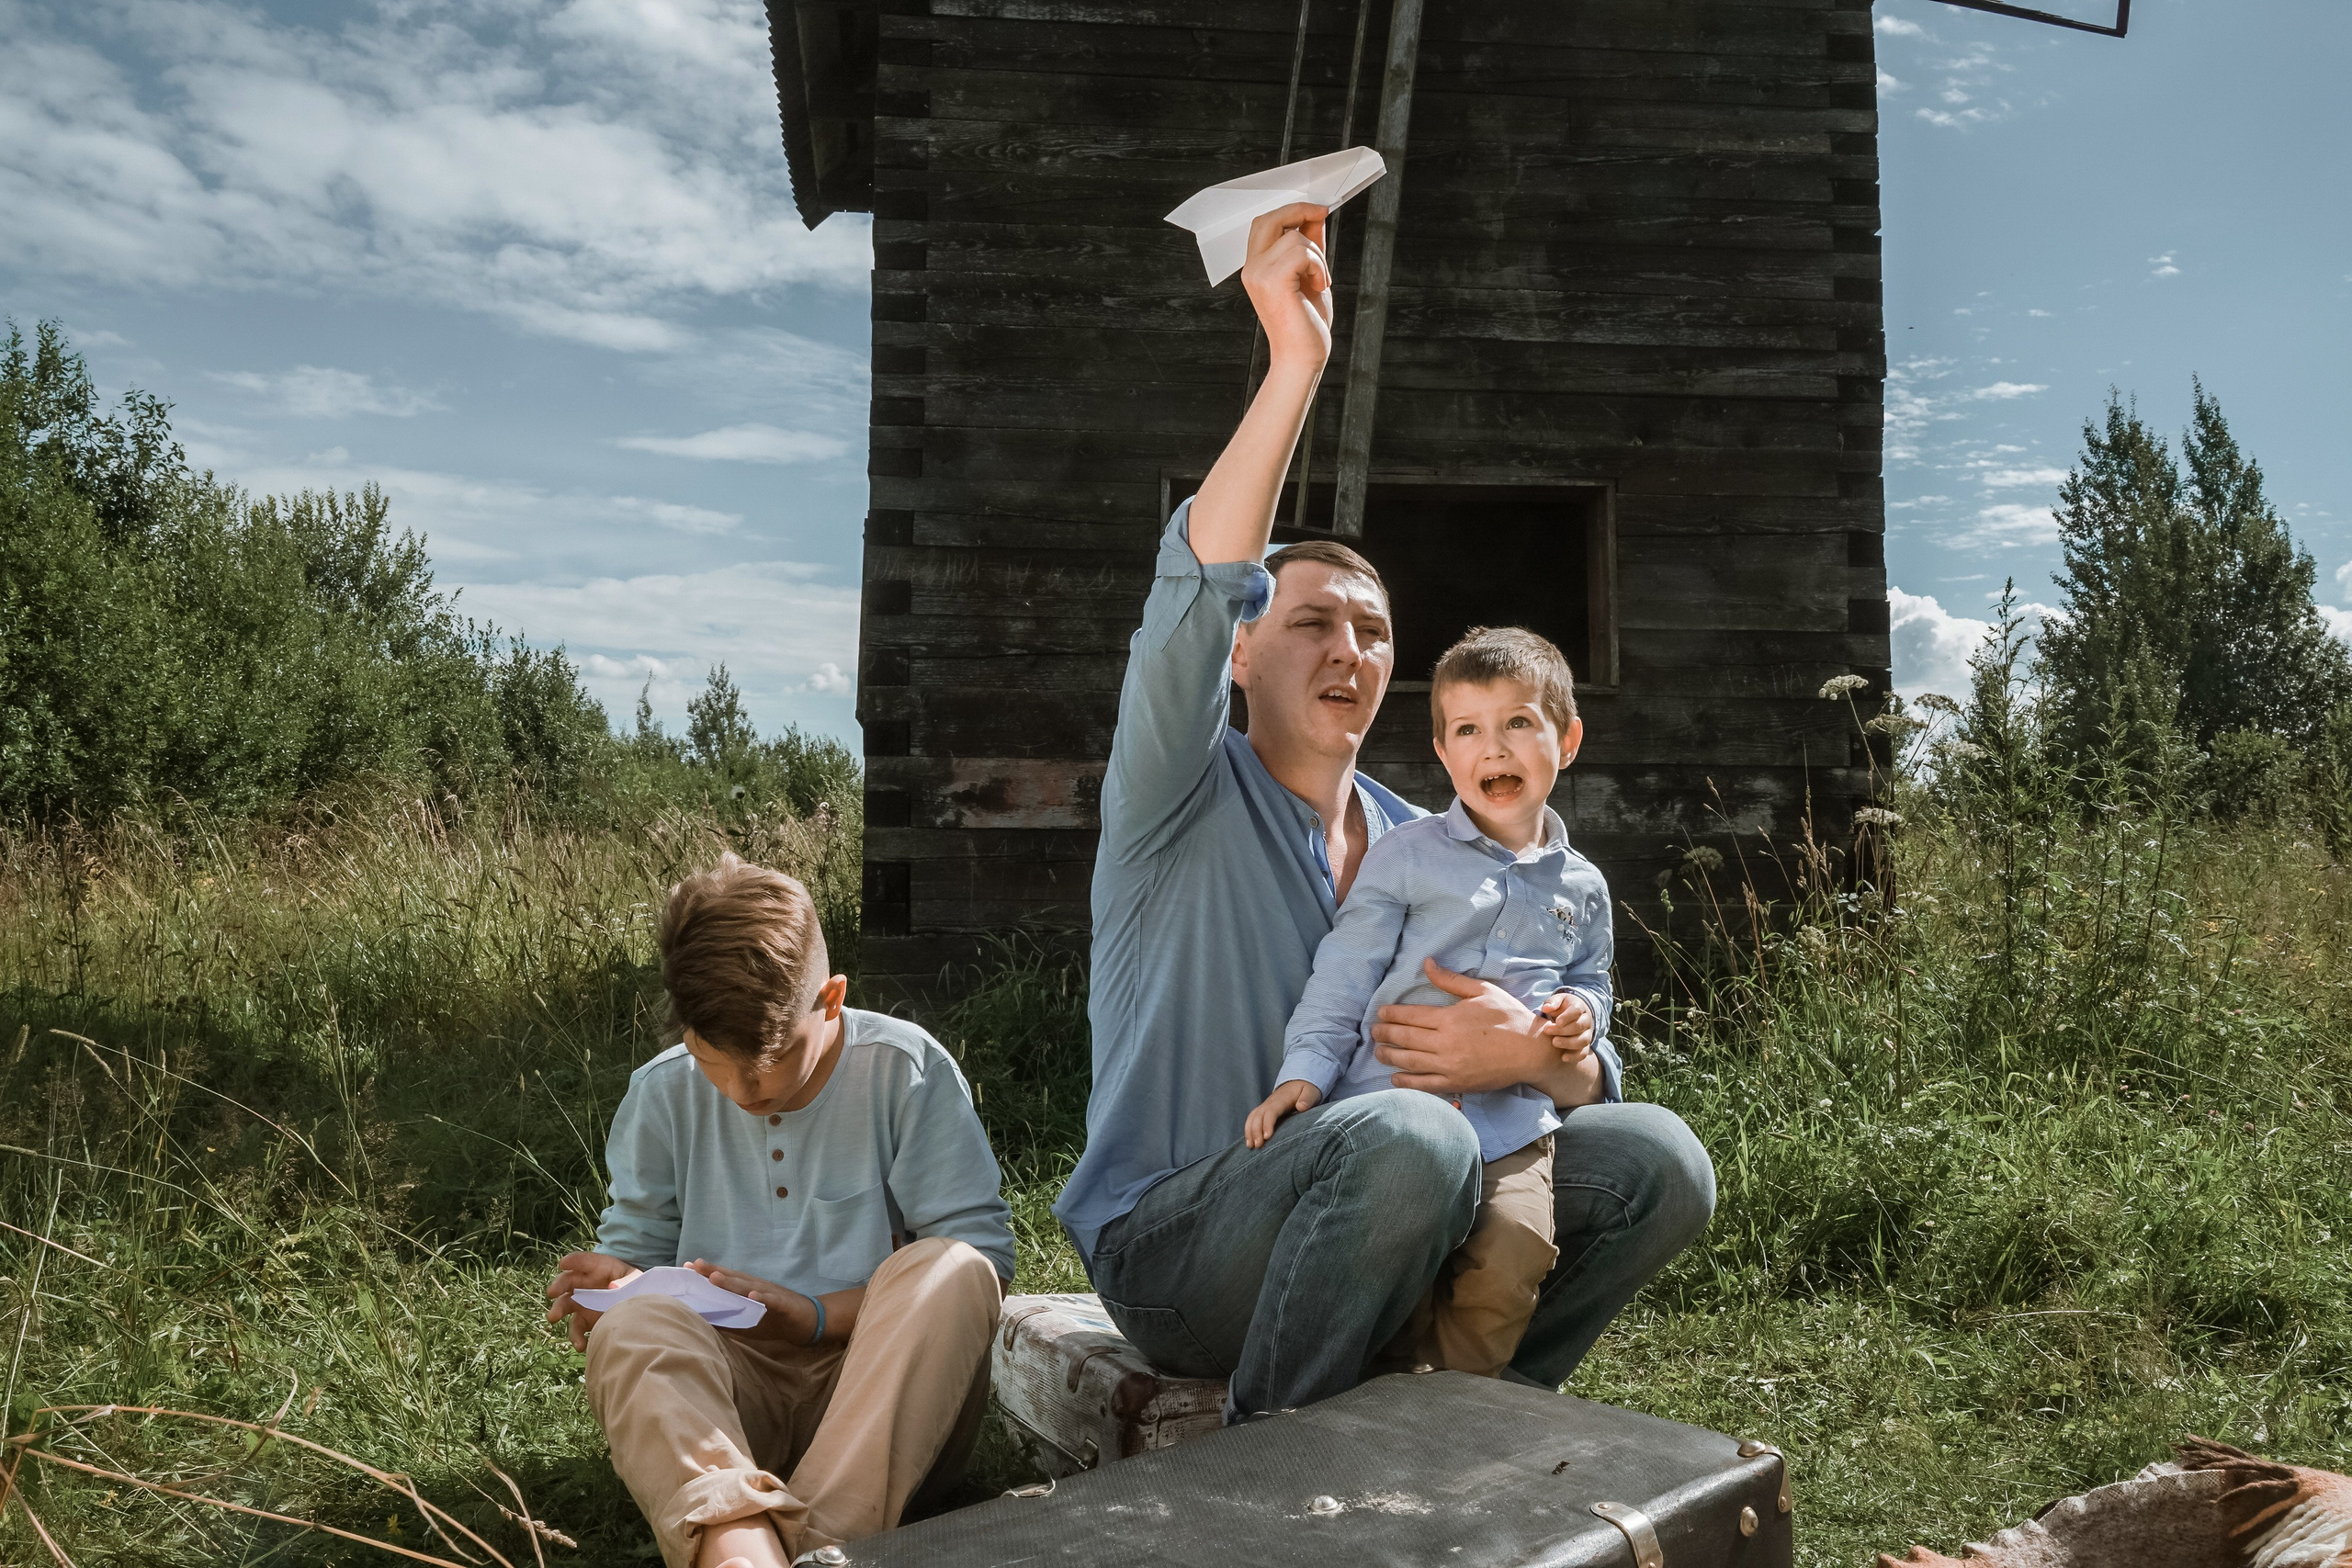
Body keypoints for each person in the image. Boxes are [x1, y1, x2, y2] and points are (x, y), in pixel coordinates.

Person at [1052, 200, 1714, 1421]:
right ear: (1242, 653)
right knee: (1413, 1134)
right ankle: (1272, 1479)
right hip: (1183, 1237)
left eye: (1373, 629)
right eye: (1311, 619)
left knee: (1662, 1159)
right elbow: (1191, 589)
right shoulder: (1175, 791)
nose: (1349, 644)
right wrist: (1296, 360)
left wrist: (1537, 1053)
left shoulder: (1429, 835)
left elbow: (1582, 1050)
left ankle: (1456, 1424)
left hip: (1405, 1194)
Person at [544, 854, 1013, 1568]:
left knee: (952, 1266)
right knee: (635, 1327)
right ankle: (745, 1546)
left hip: (881, 1394)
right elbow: (638, 1259)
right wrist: (618, 1282)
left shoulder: (904, 1070)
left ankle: (793, 1543)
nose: (741, 1088)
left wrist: (812, 1314)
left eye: (770, 1059)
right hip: (726, 1407)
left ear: (830, 998)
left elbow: (985, 1264)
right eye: (712, 1058)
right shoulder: (661, 1093)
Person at [1248, 626, 1612, 1378]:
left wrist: (1582, 1012)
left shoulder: (1583, 887)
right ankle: (1377, 1389)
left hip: (1515, 1123)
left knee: (1514, 1252)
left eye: (1519, 723)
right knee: (1400, 1265)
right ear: (1444, 752)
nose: (1495, 748)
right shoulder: (1406, 857)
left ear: (1567, 740)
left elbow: (1593, 979)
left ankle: (1450, 1408)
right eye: (1468, 730)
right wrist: (1305, 1073)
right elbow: (1343, 972)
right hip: (1394, 1106)